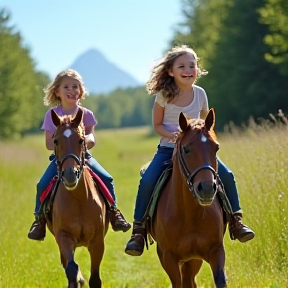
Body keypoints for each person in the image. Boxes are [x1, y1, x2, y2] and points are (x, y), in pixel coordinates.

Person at [125, 45, 255, 256]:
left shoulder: (200, 94)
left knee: (227, 175)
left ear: (197, 69)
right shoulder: (163, 95)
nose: (188, 70)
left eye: (192, 65)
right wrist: (174, 135)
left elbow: (206, 124)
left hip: (197, 152)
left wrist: (202, 140)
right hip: (168, 150)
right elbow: (157, 125)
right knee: (148, 179)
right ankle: (138, 231)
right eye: (182, 66)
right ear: (171, 71)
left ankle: (236, 222)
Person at [28, 69, 131, 241]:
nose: (71, 90)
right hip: (60, 160)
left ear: (81, 91)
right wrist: (62, 141)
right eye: (66, 86)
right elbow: (48, 144)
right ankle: (39, 220)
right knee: (42, 184)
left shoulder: (87, 114)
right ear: (57, 91)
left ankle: (114, 213)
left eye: (75, 86)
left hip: (84, 158)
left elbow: (92, 137)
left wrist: (83, 140)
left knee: (107, 178)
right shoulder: (52, 115)